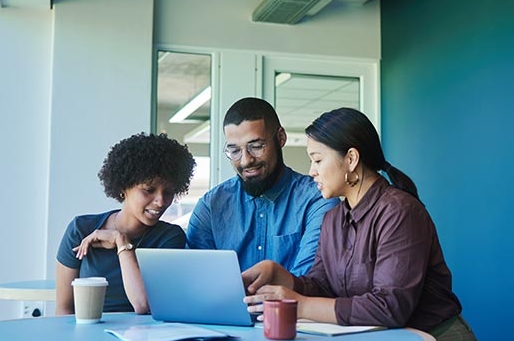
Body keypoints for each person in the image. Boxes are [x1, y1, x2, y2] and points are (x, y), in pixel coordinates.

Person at [242, 108, 483, 341]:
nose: (311, 171)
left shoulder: (400, 212)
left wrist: (302, 304)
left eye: (317, 159)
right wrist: (285, 279)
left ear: (350, 159)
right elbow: (322, 285)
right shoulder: (334, 219)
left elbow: (390, 308)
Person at [187, 97, 339, 274]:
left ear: (281, 138)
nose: (246, 160)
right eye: (235, 151)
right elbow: (197, 278)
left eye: (256, 146)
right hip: (226, 303)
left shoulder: (318, 198)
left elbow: (309, 278)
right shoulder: (211, 206)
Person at [55, 132, 196, 316]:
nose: (161, 201)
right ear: (123, 188)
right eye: (148, 190)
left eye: (168, 192)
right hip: (90, 333)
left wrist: (121, 242)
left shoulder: (169, 238)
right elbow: (64, 308)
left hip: (146, 337)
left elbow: (142, 304)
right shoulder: (81, 229)